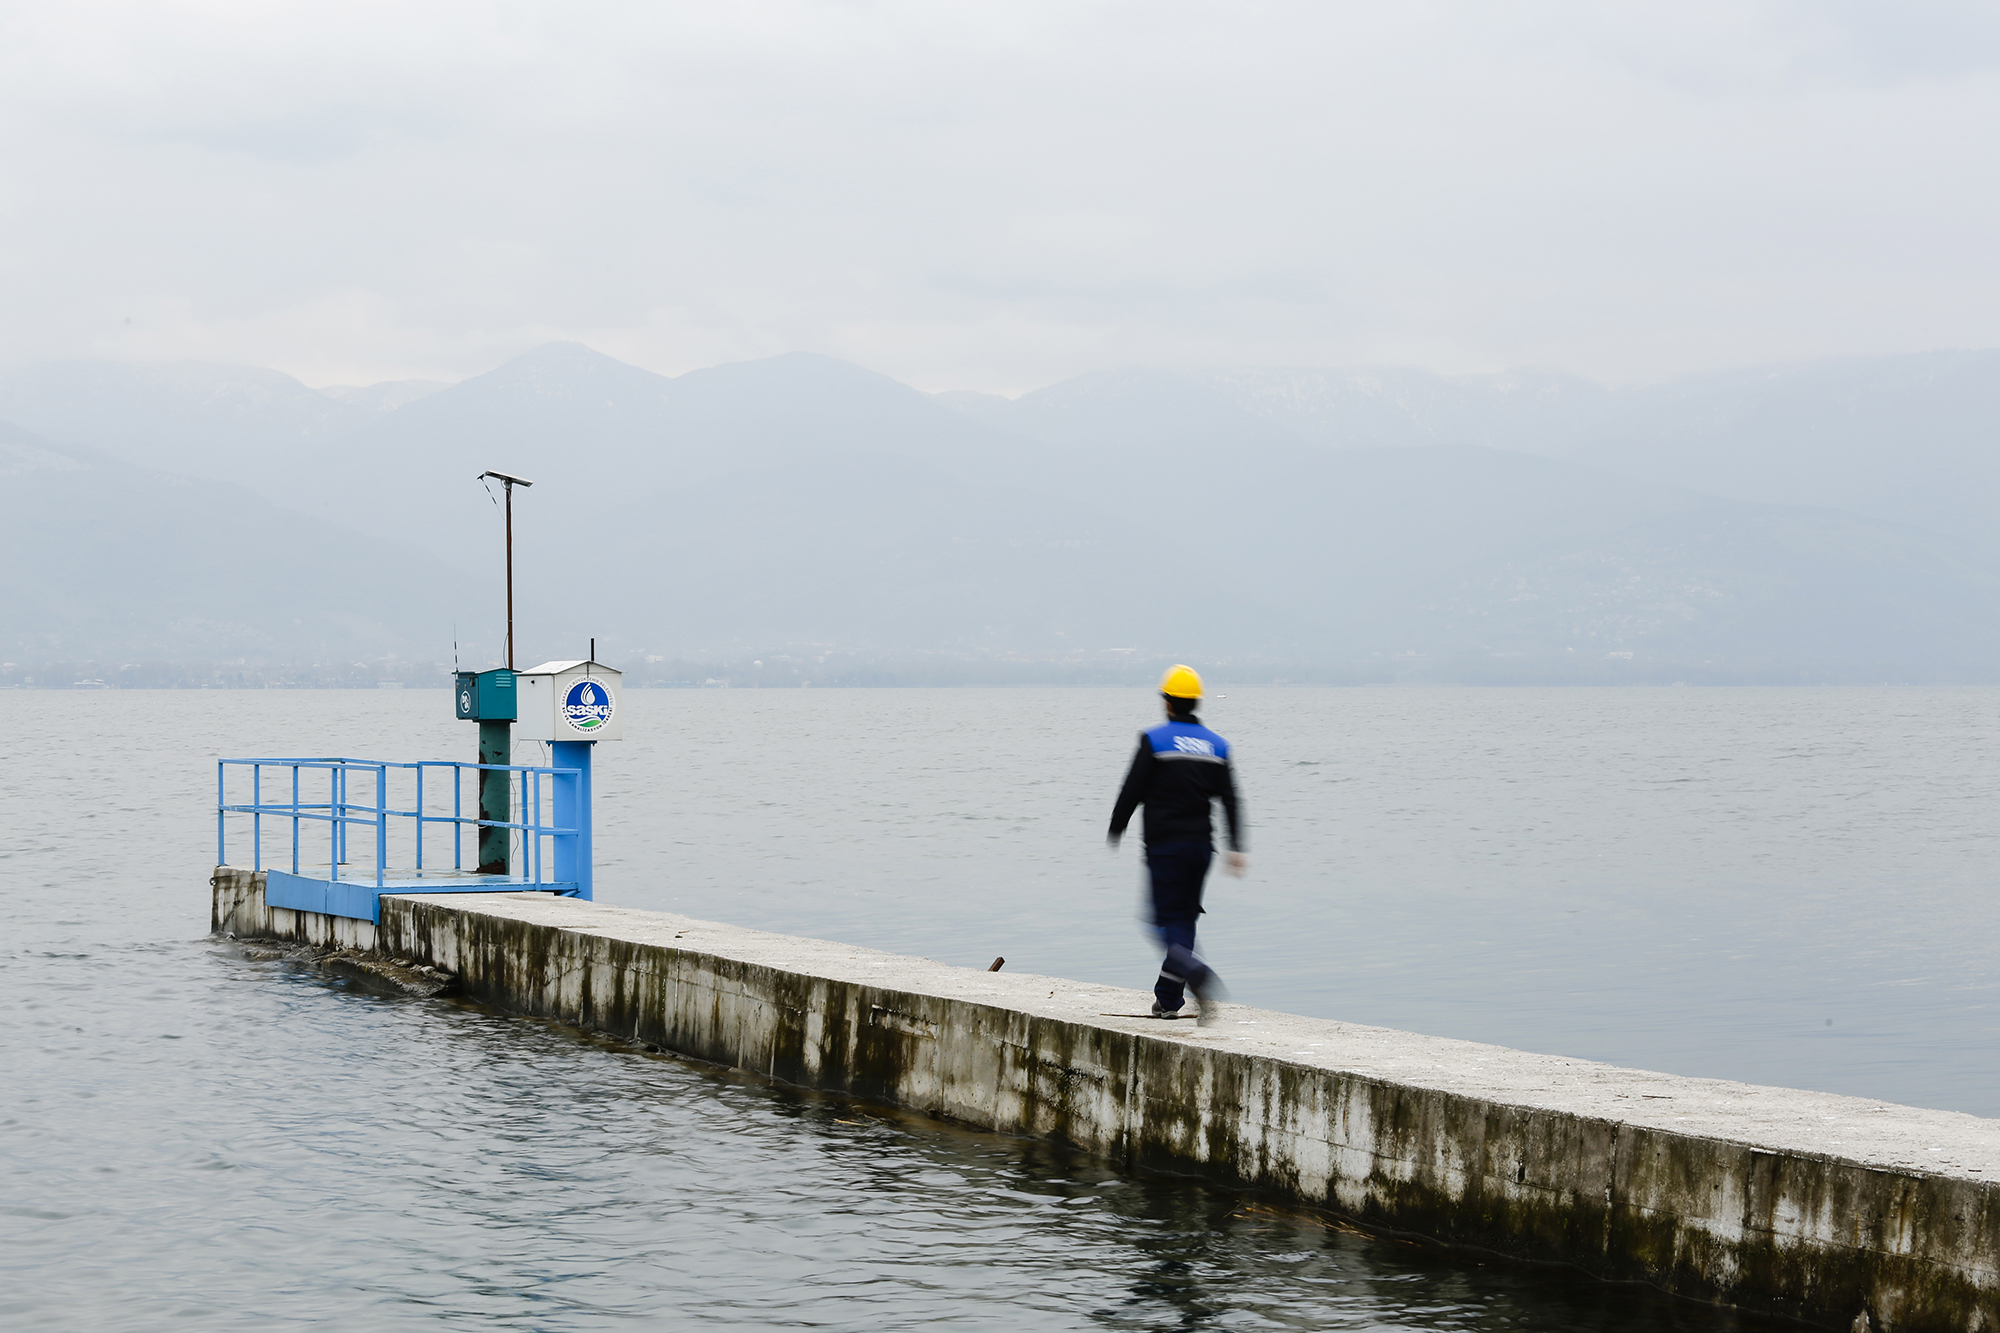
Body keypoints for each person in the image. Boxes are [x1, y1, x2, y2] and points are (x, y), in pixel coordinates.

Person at [1107, 664, 1246, 1025]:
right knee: (1183, 920)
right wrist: (1237, 846)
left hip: (1164, 847)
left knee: (1160, 923)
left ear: (1167, 703)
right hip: (1201, 849)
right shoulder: (1217, 746)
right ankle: (1168, 1000)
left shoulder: (1154, 741)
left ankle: (1196, 973)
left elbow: (1132, 789)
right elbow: (1231, 799)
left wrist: (1116, 827)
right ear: (1195, 703)